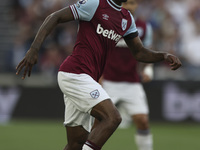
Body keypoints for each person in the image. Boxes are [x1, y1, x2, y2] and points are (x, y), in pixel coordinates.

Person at [15, 0, 182, 149]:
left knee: (76, 143)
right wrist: (34, 49)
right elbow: (55, 16)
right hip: (75, 73)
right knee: (113, 118)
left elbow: (139, 52)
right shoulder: (94, 4)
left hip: (86, 78)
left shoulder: (127, 19)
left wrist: (163, 55)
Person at [101, 0, 154, 150]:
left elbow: (147, 51)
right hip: (108, 81)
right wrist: (98, 77)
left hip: (132, 82)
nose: (129, 7)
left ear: (137, 5)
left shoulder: (144, 27)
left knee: (142, 121)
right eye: (126, 3)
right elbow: (100, 50)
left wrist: (148, 69)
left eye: (132, 3)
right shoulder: (108, 22)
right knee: (98, 123)